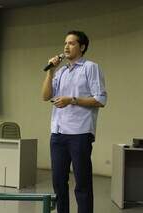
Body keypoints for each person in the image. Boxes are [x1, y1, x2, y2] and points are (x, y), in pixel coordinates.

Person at [41, 30, 107, 213]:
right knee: (58, 182)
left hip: (80, 133)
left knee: (82, 183)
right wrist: (50, 71)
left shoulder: (90, 67)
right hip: (58, 133)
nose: (66, 46)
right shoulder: (60, 71)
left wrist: (72, 100)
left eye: (71, 43)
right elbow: (46, 96)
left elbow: (100, 99)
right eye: (65, 43)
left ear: (82, 47)